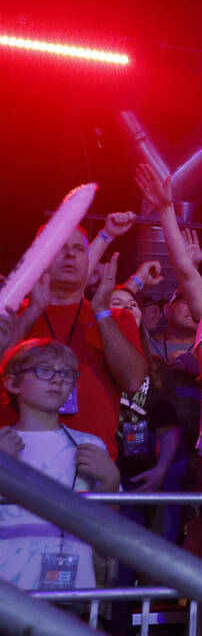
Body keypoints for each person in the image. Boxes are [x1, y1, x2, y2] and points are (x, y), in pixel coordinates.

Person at [3, 230, 146, 460]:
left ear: (88, 262)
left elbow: (132, 381)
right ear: (41, 257)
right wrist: (32, 313)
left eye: (79, 249)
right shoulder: (10, 312)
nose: (70, 254)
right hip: (14, 460)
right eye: (60, 247)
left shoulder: (116, 318)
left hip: (89, 462)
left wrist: (101, 311)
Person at [0, 339, 119, 590]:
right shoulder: (2, 443)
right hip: (8, 593)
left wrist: (111, 480)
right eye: (44, 371)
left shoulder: (89, 444)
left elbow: (109, 528)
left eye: (66, 374)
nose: (57, 380)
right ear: (12, 383)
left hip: (71, 586)